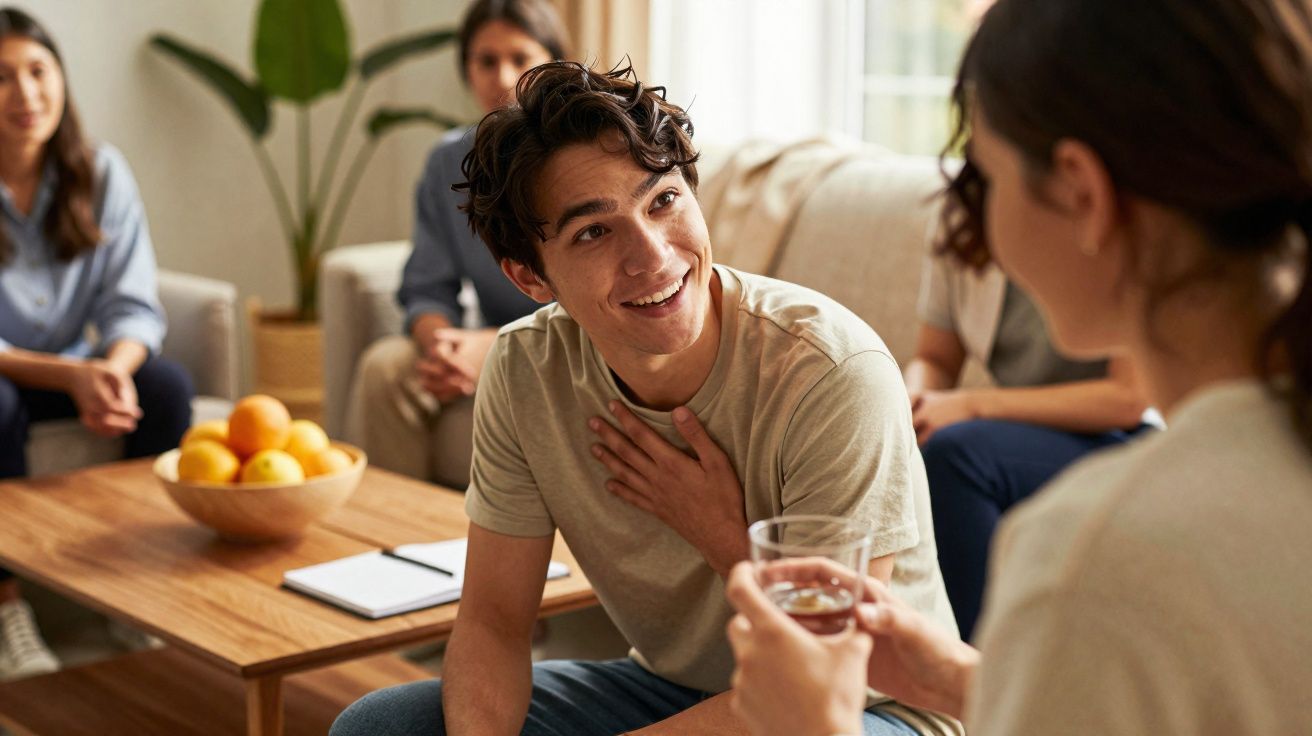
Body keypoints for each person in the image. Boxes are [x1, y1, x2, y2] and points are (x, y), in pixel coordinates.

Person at [724, 0, 1312, 733]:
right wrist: (968, 680)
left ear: (1081, 192)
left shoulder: (1097, 556)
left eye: (990, 179)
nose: (976, 217)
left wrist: (814, 722)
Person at [331, 61, 958, 736]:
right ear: (529, 276)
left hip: (863, 713)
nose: (653, 257)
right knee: (384, 725)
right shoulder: (523, 370)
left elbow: (816, 688)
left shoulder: (831, 372)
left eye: (662, 202)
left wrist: (724, 539)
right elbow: (493, 622)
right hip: (672, 691)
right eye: (594, 232)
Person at [0, 8, 193, 680]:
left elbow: (133, 305)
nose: (25, 94)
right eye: (2, 78)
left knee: (164, 387)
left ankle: (138, 589)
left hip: (74, 369)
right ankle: (5, 610)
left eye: (37, 71)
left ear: (61, 79)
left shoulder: (101, 173)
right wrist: (73, 378)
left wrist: (112, 370)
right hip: (9, 374)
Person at [348, 0, 569, 487]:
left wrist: (491, 346)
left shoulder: (577, 158)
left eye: (520, 57)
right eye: (485, 61)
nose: (502, 76)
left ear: (552, 64)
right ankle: (396, 537)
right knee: (384, 368)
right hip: (482, 342)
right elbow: (427, 286)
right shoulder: (449, 163)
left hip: (571, 342)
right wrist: (441, 346)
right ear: (466, 68)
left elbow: (590, 300)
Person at [908, 246, 1149, 640]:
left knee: (955, 456)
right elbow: (935, 357)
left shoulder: (1113, 218)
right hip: (1012, 435)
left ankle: (977, 674)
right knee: (901, 445)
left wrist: (972, 405)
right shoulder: (959, 216)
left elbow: (1130, 399)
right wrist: (912, 403)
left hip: (1125, 438)